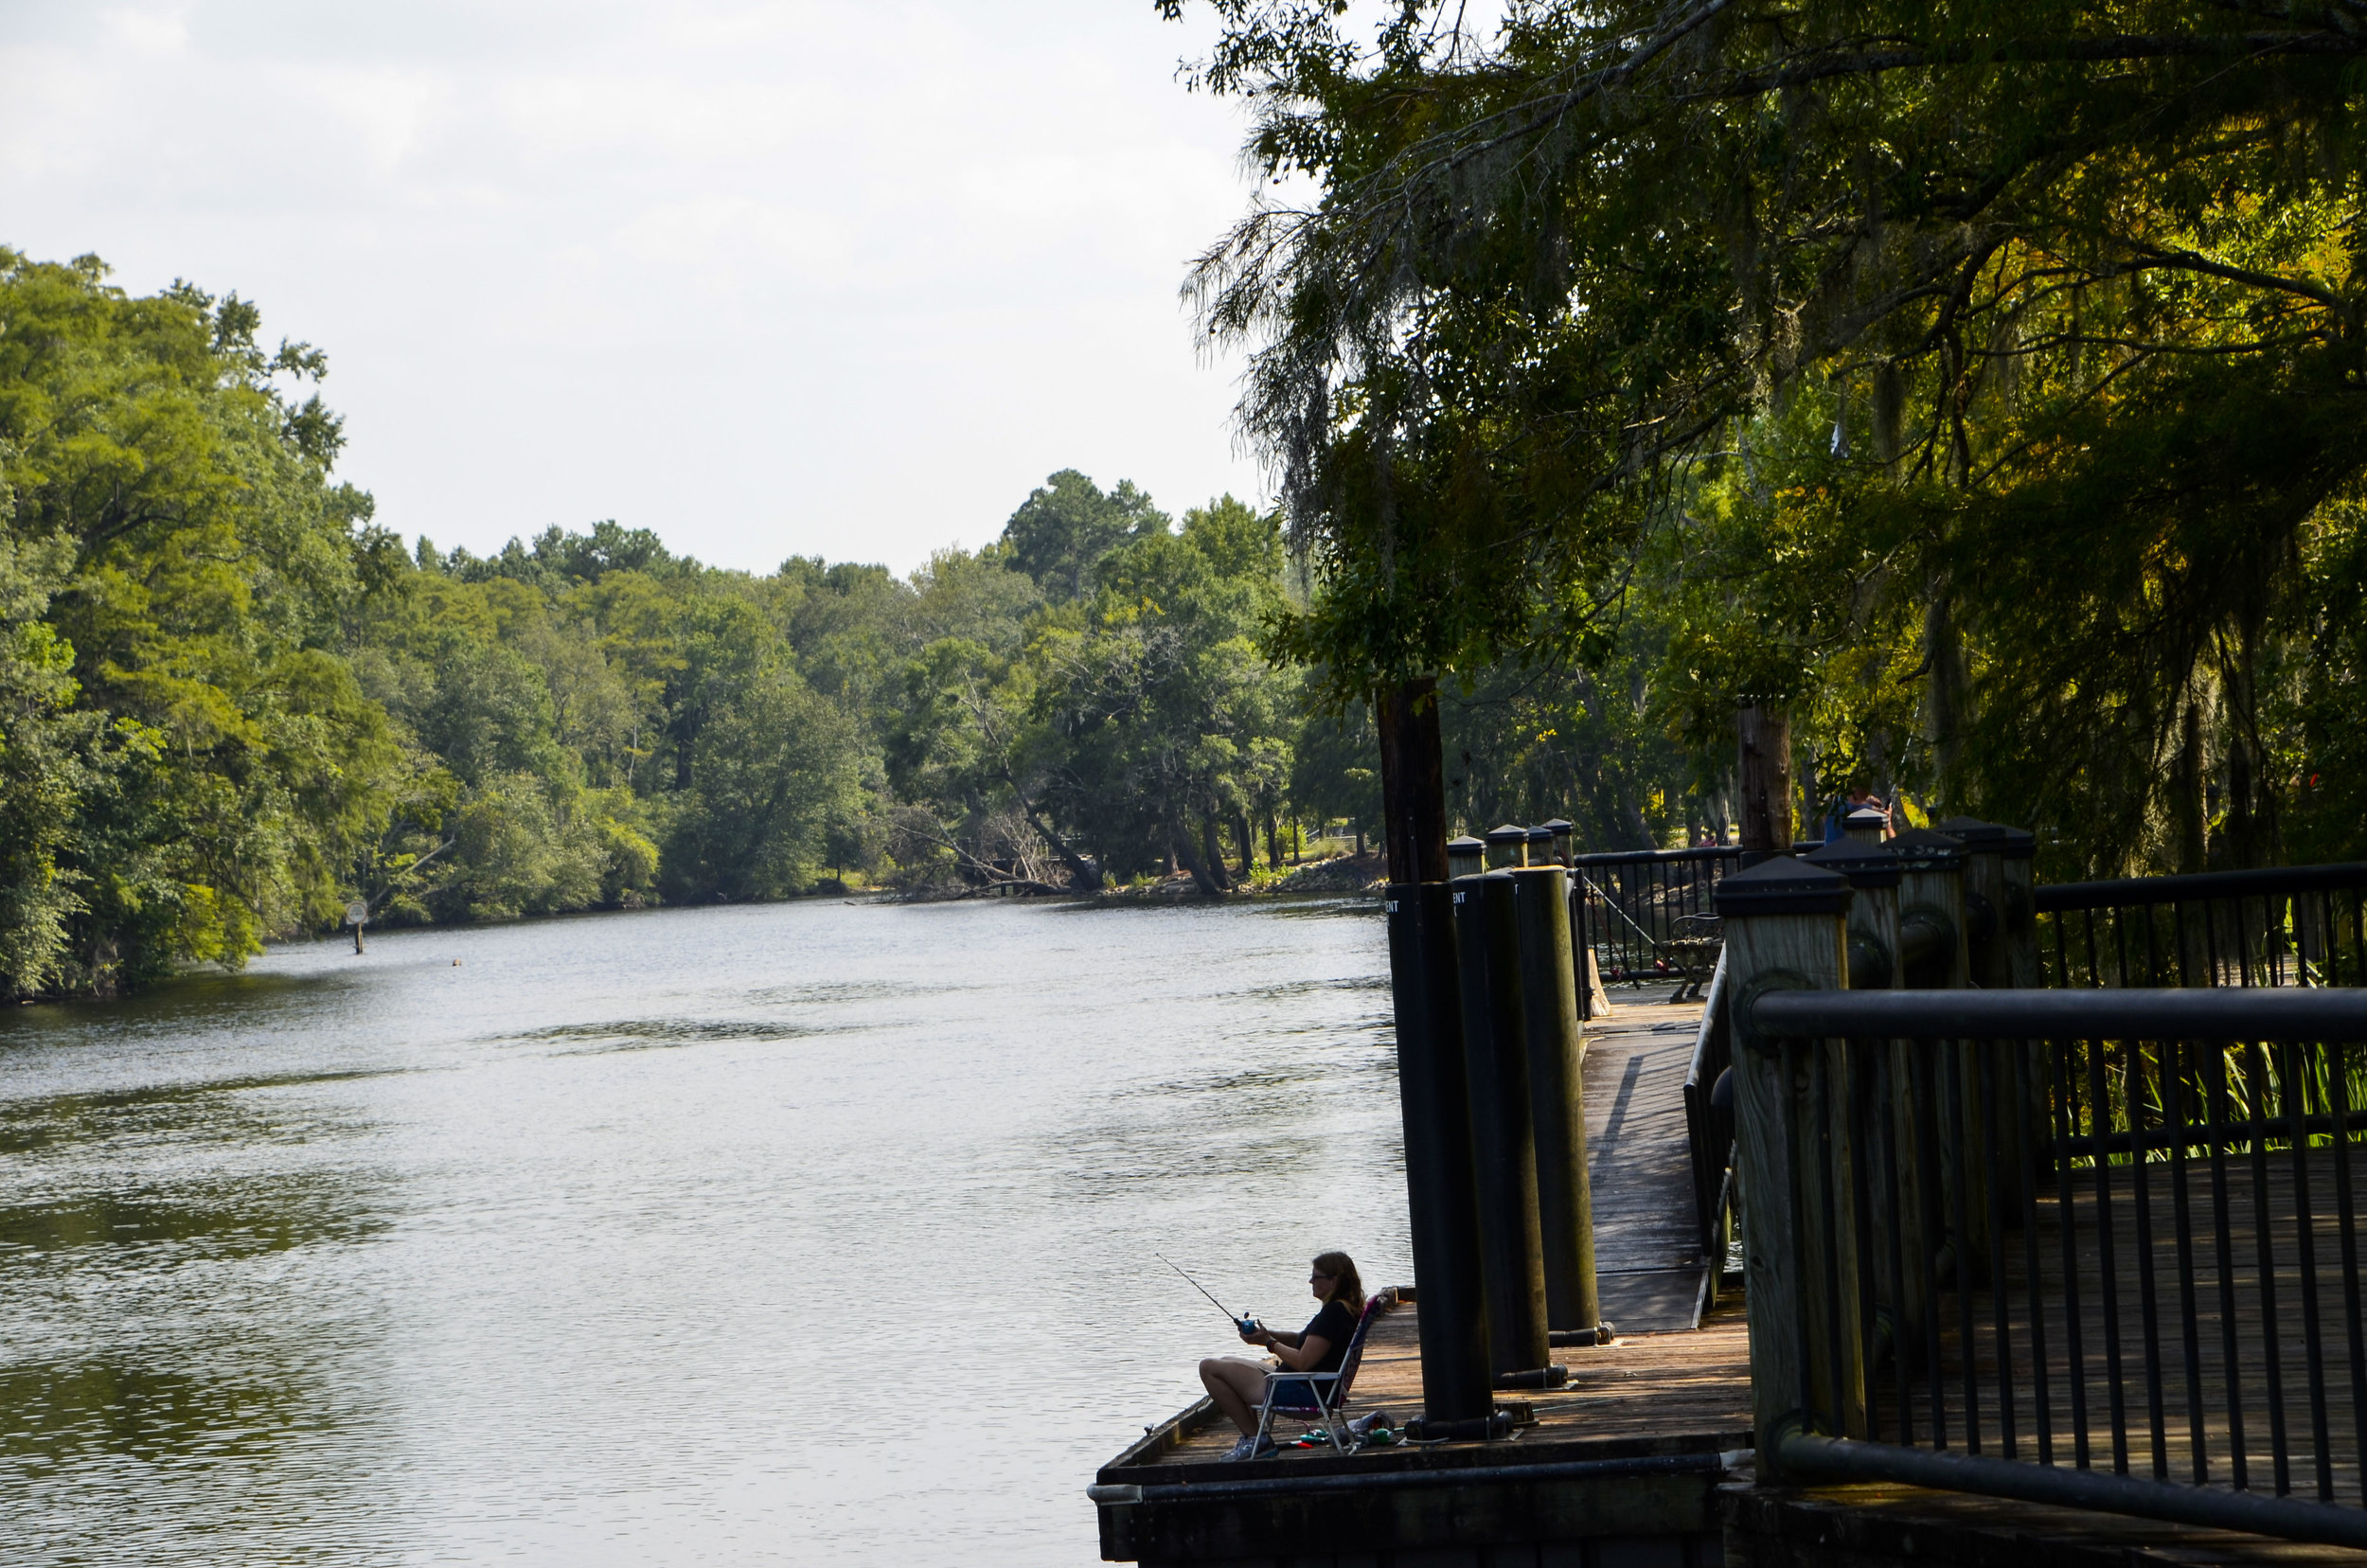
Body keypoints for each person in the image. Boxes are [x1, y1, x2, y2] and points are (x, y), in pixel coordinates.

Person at [1198, 1251, 1365, 1461]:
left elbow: (1303, 1362)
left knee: (1208, 1367)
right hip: (1307, 1384)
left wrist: (1269, 1343)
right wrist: (1265, 1334)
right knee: (1226, 1362)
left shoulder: (1334, 1313)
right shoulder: (1342, 1310)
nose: (1311, 1281)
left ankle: (1255, 1440)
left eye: (1316, 1277)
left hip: (1305, 1392)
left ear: (1334, 1281)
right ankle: (1254, 1438)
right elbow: (1300, 1341)